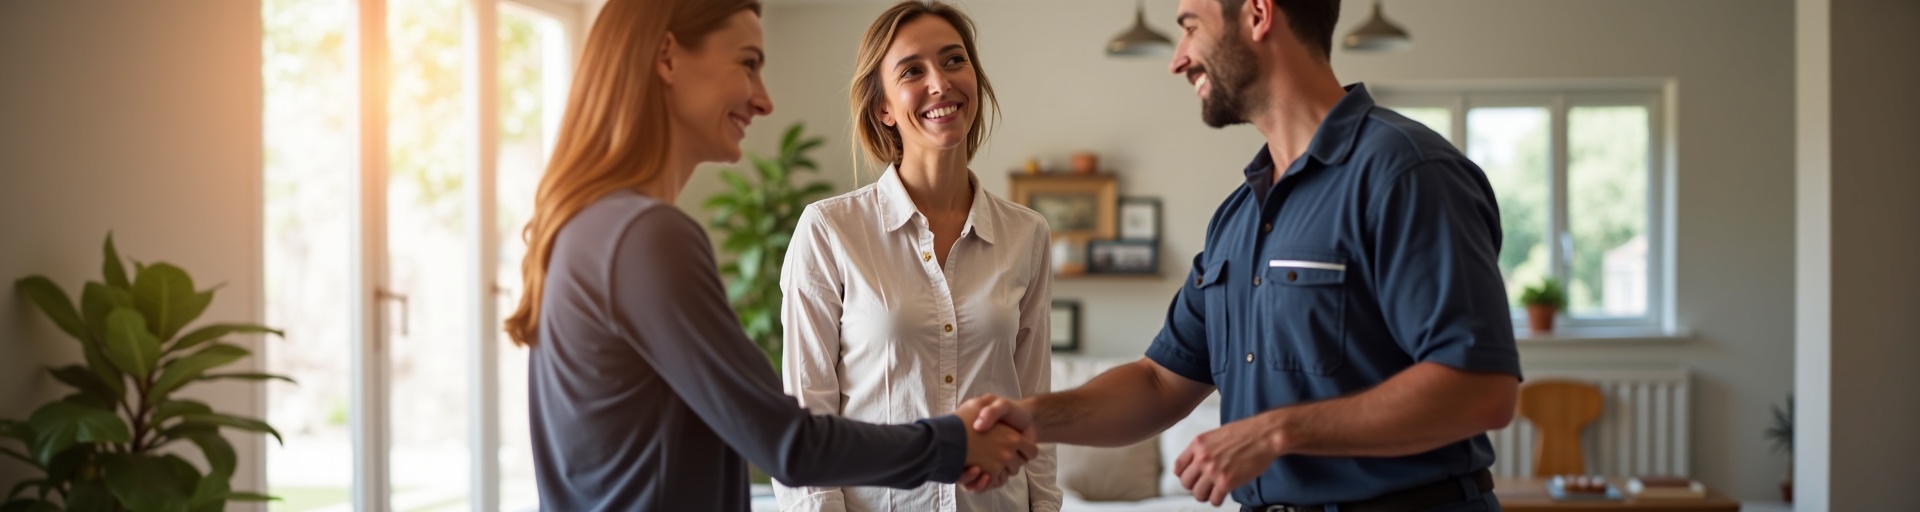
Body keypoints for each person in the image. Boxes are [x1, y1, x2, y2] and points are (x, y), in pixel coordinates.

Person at [973, 0, 1524, 511]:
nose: (1178, 60)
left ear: (1259, 14)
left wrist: (1276, 431)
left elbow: (1481, 389)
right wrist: (1033, 417)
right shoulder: (1238, 217)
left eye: (1191, 26)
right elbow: (1159, 383)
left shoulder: (1406, 172)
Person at [503, 1, 1037, 509]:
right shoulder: (646, 238)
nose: (764, 100)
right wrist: (953, 443)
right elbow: (789, 442)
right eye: (748, 64)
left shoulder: (589, 230)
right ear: (667, 57)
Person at [774, 2, 1061, 511]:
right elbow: (804, 416)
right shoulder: (829, 231)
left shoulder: (1027, 234)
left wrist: (1045, 505)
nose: (940, 83)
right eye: (912, 70)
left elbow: (1033, 404)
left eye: (954, 61)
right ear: (883, 106)